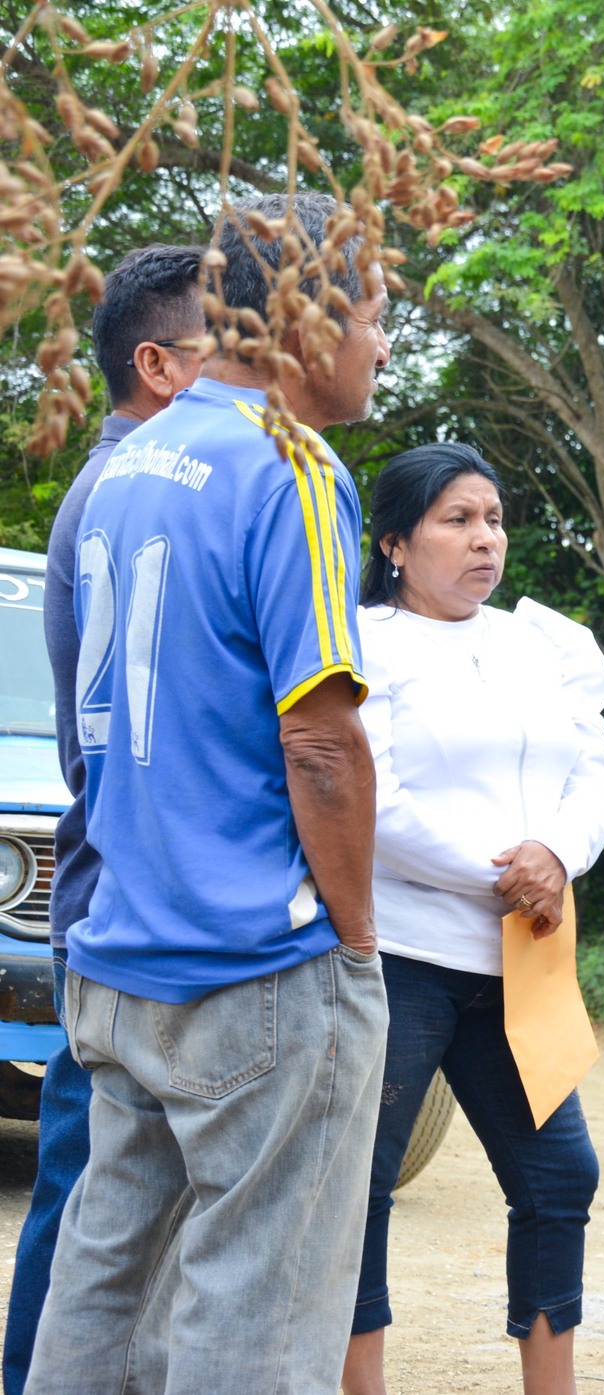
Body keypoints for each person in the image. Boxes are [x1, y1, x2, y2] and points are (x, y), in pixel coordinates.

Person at [26, 192, 391, 1395]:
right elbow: (322, 744)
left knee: (104, 1280)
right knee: (257, 1308)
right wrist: (354, 942)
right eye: (375, 311)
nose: (383, 343)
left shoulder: (128, 464)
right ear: (309, 314)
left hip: (122, 952)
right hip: (253, 964)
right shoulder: (291, 464)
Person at [341, 442, 604, 1395]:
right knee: (359, 1183)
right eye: (457, 520)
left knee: (560, 1177)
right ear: (394, 542)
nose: (485, 539)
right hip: (402, 954)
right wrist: (506, 875)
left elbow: (595, 775)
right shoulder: (364, 642)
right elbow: (371, 801)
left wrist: (558, 856)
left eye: (493, 519)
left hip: (520, 959)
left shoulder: (544, 643)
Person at [3, 244, 206, 1395]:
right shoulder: (127, 495)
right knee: (87, 1189)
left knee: (106, 1194)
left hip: (115, 893)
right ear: (157, 366)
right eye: (223, 347)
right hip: (118, 894)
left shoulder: (129, 488)